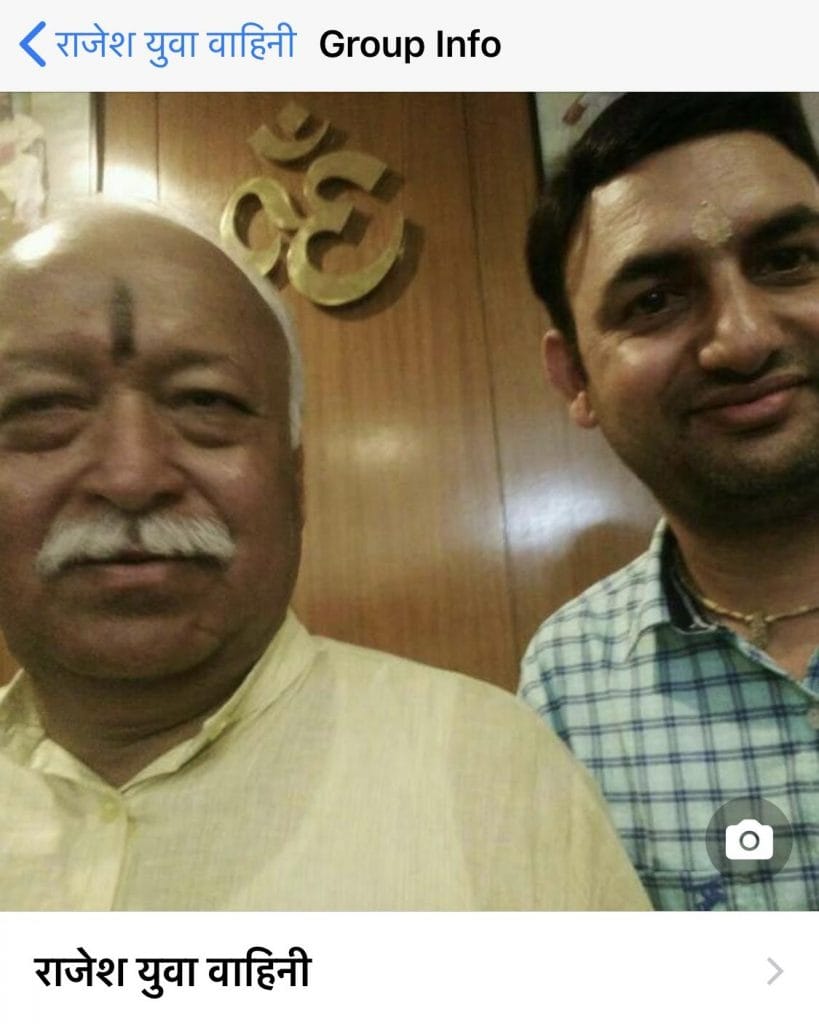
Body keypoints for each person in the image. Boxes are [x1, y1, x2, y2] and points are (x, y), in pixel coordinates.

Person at [0, 202, 647, 911]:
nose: (131, 476)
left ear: (296, 479)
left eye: (205, 401)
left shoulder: (497, 771)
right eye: (41, 407)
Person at [519, 93, 819, 911]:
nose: (743, 339)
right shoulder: (565, 682)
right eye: (653, 301)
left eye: (787, 260)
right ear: (574, 379)